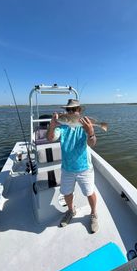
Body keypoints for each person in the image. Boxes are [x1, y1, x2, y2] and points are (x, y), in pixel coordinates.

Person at [47, 99, 99, 233]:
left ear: (79, 110)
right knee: (67, 193)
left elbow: (92, 144)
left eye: (74, 109)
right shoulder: (62, 125)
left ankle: (93, 214)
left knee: (89, 192)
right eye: (68, 109)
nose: (71, 111)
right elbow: (50, 138)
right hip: (67, 168)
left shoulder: (85, 124)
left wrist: (91, 131)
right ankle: (71, 211)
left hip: (84, 167)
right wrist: (52, 126)